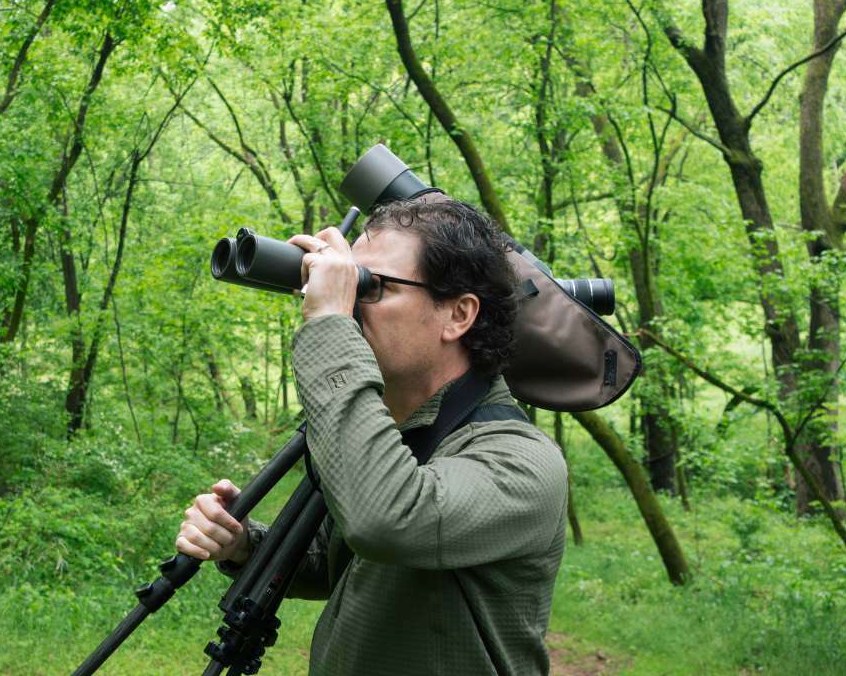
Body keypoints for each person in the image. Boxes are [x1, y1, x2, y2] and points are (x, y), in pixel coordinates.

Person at [176, 197, 568, 675]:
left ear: (458, 315)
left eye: (371, 286)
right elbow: (338, 556)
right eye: (348, 281)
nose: (349, 302)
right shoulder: (393, 431)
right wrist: (244, 544)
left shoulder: (522, 460)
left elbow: (388, 522)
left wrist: (328, 325)